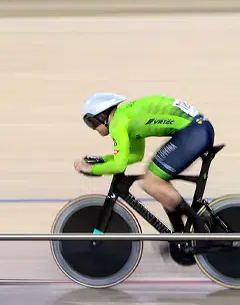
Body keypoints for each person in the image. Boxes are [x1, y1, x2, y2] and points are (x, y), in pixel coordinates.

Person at [75, 92, 215, 266]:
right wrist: (102, 160)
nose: (93, 128)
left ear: (103, 116)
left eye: (92, 122)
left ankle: (199, 226)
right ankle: (181, 235)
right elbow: (135, 155)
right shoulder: (124, 116)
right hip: (197, 129)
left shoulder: (117, 122)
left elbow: (119, 166)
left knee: (151, 182)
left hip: (193, 132)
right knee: (158, 184)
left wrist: (92, 169)